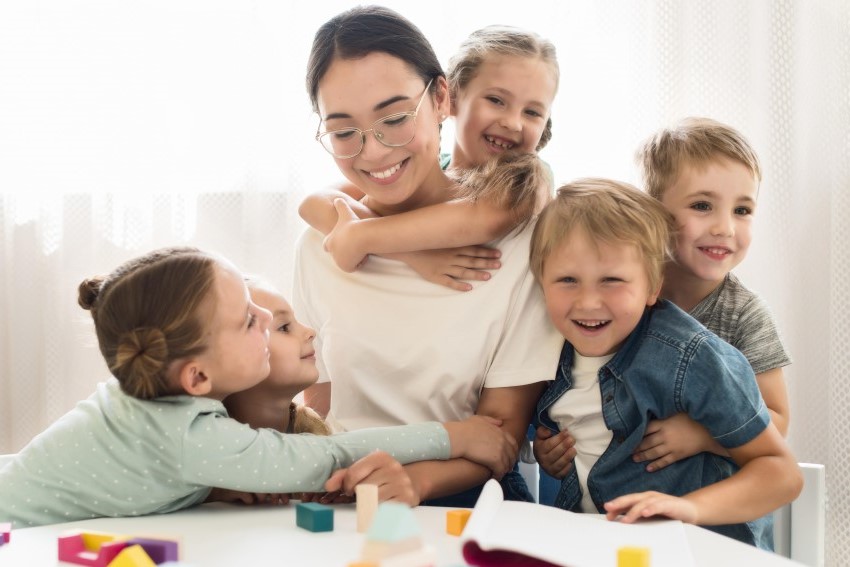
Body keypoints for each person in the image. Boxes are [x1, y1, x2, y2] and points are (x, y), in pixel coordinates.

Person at [0, 247, 518, 528]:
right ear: (198, 378)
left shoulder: (143, 392)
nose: (266, 318)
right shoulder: (193, 436)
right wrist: (454, 436)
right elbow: (331, 454)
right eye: (250, 320)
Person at [294, 5, 563, 507]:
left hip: (464, 503)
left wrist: (410, 483)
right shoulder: (322, 240)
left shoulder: (523, 239)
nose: (372, 153)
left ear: (441, 97)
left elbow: (500, 439)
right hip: (341, 493)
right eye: (343, 131)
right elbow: (323, 410)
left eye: (394, 118)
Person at [529, 178, 801, 549]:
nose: (588, 301)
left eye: (611, 280)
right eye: (567, 280)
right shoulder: (545, 349)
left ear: (653, 286)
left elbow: (782, 474)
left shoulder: (691, 356)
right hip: (604, 547)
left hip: (702, 550)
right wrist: (549, 457)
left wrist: (685, 509)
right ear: (540, 281)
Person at [534, 117, 793, 480]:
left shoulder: (743, 315)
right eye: (703, 206)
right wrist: (551, 447)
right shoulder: (614, 299)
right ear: (652, 211)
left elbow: (776, 420)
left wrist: (701, 435)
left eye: (742, 210)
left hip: (707, 502)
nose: (725, 228)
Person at [299, 23, 559, 291]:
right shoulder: (431, 168)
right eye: (496, 100)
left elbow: (481, 219)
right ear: (451, 98)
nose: (513, 123)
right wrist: (410, 254)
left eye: (532, 113)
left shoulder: (530, 177)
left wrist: (362, 235)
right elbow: (313, 203)